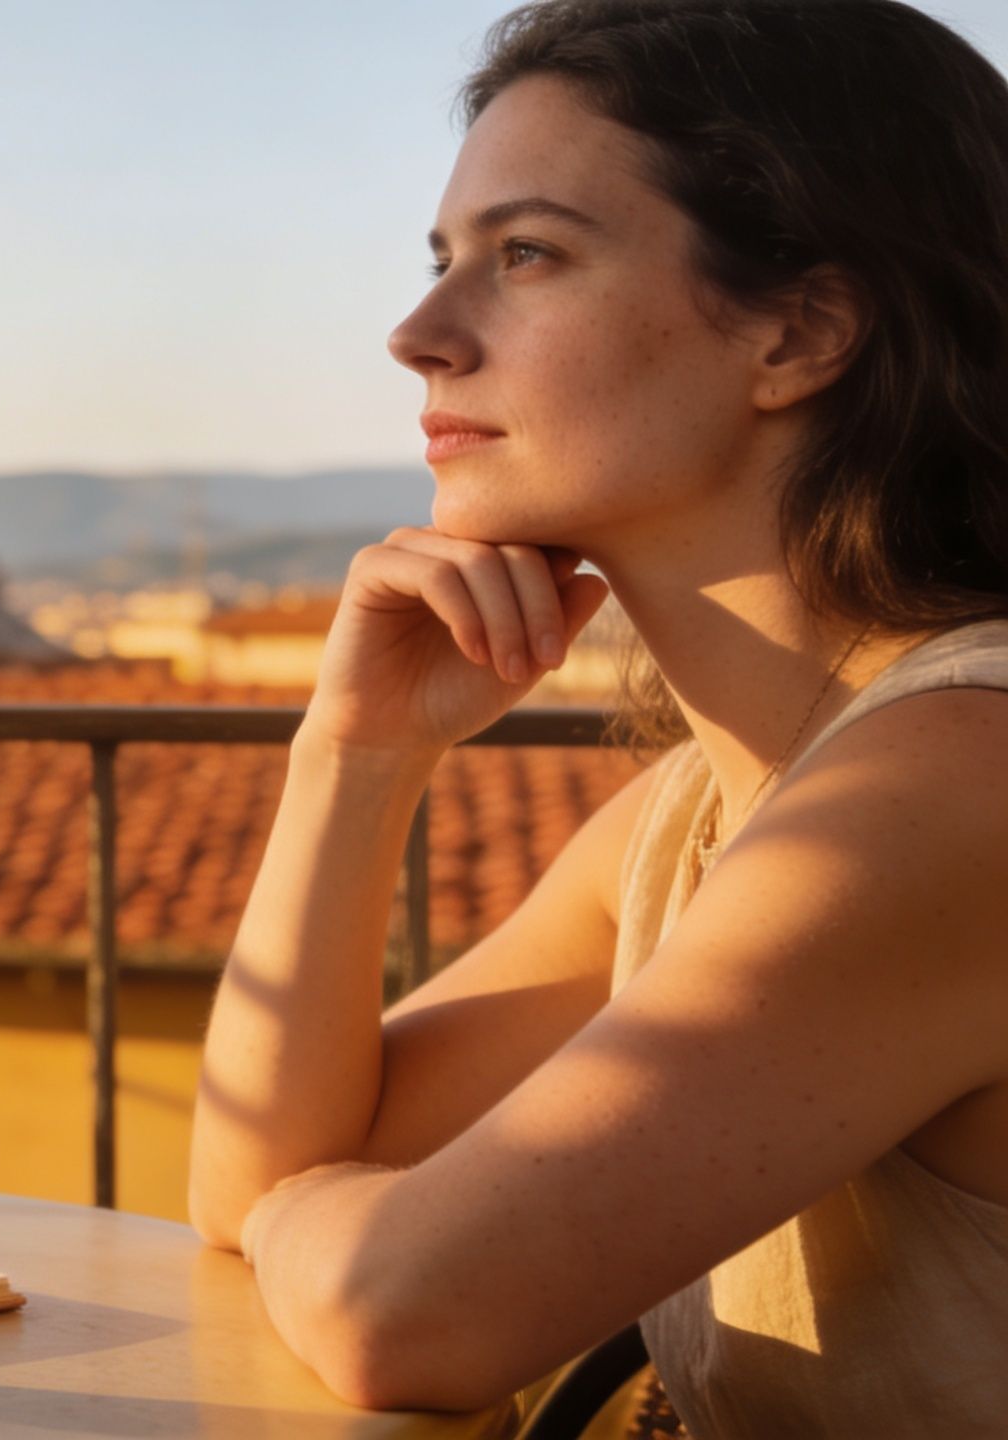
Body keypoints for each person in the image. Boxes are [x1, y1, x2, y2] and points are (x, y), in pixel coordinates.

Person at [183, 2, 1008, 1433]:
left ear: (799, 334)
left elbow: (405, 1312)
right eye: (441, 263)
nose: (419, 335)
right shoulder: (702, 808)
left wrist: (316, 1213)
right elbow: (247, 1179)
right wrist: (360, 753)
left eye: (527, 256)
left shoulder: (954, 782)